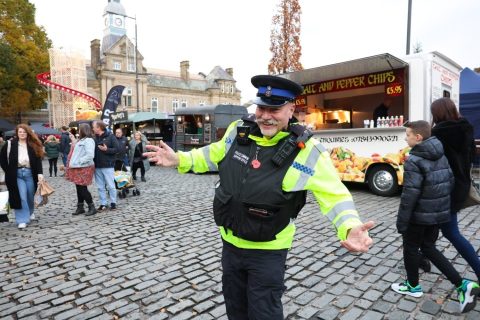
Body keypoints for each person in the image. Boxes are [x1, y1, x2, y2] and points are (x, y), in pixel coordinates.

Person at [144, 74, 374, 319]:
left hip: (269, 251)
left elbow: (334, 195)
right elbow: (214, 154)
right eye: (261, 108)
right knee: (235, 308)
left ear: (290, 109)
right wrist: (180, 159)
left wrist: (349, 227)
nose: (265, 116)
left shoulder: (308, 151)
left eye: (274, 109)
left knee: (264, 312)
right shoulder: (238, 131)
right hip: (230, 244)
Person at [391, 120, 479, 313]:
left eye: (407, 134)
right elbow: (448, 182)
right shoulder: (440, 153)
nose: (405, 137)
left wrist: (402, 221)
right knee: (429, 248)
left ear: (418, 137)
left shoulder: (414, 160)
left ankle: (413, 286)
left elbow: (409, 195)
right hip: (437, 214)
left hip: (418, 216)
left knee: (411, 248)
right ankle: (462, 285)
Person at [430, 97, 480, 284]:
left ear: (438, 114)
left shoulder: (437, 134)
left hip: (443, 189)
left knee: (451, 232)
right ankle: (423, 256)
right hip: (460, 186)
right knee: (431, 226)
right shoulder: (466, 128)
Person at [0, 124, 45, 229]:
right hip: (16, 174)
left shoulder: (33, 144)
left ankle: (30, 212)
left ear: (28, 133)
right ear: (17, 133)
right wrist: (9, 171)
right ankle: (22, 220)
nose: (22, 134)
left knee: (30, 196)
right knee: (21, 197)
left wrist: (40, 174)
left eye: (24, 132)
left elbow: (38, 160)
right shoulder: (10, 144)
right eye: (20, 132)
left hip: (30, 173)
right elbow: (2, 159)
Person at [65, 123, 97, 216]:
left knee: (82, 188)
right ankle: (80, 207)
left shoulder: (89, 140)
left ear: (83, 130)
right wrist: (74, 140)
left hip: (84, 167)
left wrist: (79, 161)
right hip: (78, 167)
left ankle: (92, 207)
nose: (78, 131)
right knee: (79, 187)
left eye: (79, 129)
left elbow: (90, 155)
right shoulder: (81, 140)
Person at [92, 121, 119, 211]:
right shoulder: (94, 138)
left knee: (111, 186)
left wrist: (107, 149)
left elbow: (117, 149)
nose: (93, 128)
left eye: (94, 127)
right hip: (97, 166)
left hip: (108, 165)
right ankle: (103, 203)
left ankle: (113, 203)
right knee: (100, 187)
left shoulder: (111, 136)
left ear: (99, 127)